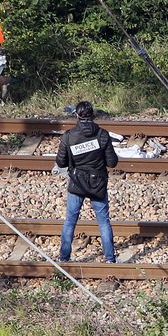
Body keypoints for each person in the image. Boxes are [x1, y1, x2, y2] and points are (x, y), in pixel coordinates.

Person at [56, 101, 118, 263]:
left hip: (77, 183)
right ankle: (110, 259)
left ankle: (64, 258)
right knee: (103, 221)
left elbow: (61, 163)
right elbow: (112, 162)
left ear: (77, 115)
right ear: (93, 115)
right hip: (98, 183)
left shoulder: (68, 136)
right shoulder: (103, 135)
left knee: (70, 221)